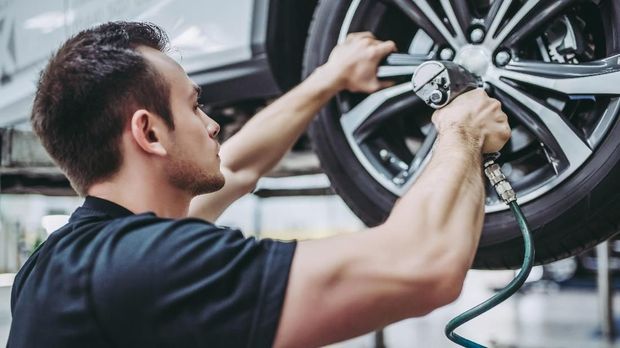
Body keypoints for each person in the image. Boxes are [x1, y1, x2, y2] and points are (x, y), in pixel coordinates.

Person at [8, 21, 510, 347]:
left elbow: (241, 167)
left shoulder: (71, 260)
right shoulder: (142, 266)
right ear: (148, 132)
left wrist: (327, 78)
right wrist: (461, 130)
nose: (212, 125)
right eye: (194, 105)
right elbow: (421, 265)